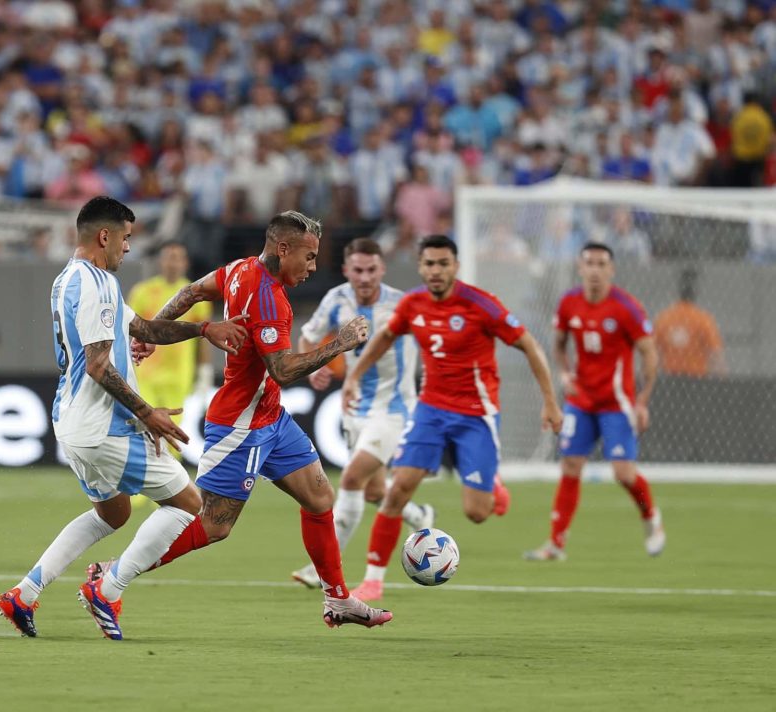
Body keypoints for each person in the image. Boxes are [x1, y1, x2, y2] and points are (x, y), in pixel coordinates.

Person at [108, 210, 395, 630]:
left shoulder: (240, 269)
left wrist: (151, 332)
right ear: (283, 249)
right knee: (212, 526)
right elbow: (281, 368)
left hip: (271, 417)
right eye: (309, 256)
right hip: (241, 423)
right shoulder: (268, 297)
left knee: (319, 499)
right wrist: (341, 343)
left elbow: (189, 292)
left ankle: (337, 600)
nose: (313, 267)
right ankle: (114, 573)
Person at [0, 196, 248, 640]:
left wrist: (205, 328)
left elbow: (145, 329)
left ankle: (24, 594)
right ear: (104, 236)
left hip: (71, 422)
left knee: (113, 513)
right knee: (192, 506)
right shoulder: (97, 284)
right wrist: (147, 413)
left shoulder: (70, 280)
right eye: (126, 238)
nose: (129, 248)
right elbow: (97, 364)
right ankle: (108, 589)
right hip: (103, 427)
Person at [344, 234, 562, 600]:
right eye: (429, 264)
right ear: (421, 267)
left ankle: (492, 487)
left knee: (477, 513)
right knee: (398, 489)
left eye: (443, 264)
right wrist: (353, 375)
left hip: (475, 414)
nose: (436, 270)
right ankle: (373, 580)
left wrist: (551, 402)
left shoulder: (481, 305)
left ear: (455, 267)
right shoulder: (413, 304)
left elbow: (529, 344)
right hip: (430, 410)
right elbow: (385, 336)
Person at [289, 237, 432, 590]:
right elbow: (307, 338)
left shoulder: (402, 304)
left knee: (351, 479)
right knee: (372, 491)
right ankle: (419, 515)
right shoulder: (336, 300)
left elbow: (432, 345)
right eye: (358, 270)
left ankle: (320, 568)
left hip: (395, 409)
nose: (365, 277)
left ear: (382, 270)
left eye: (371, 270)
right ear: (346, 270)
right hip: (354, 409)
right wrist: (312, 366)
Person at [525, 242, 663, 561]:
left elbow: (649, 352)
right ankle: (556, 544)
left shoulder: (626, 307)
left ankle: (651, 518)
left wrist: (642, 401)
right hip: (581, 400)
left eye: (602, 264)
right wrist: (564, 373)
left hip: (616, 403)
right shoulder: (569, 303)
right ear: (580, 267)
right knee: (571, 465)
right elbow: (558, 344)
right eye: (590, 263)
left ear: (611, 270)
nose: (596, 270)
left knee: (623, 474)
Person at [127, 241, 214, 421]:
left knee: (172, 428)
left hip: (179, 374)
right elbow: (129, 332)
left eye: (177, 258)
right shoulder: (142, 292)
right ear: (160, 261)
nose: (172, 263)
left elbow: (203, 337)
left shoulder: (197, 294)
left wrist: (204, 370)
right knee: (146, 426)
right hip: (146, 373)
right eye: (168, 258)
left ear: (185, 263)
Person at [653, 268, 726, 377]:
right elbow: (715, 357)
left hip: (670, 382)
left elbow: (654, 356)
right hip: (697, 381)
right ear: (696, 291)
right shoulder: (703, 320)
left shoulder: (664, 318)